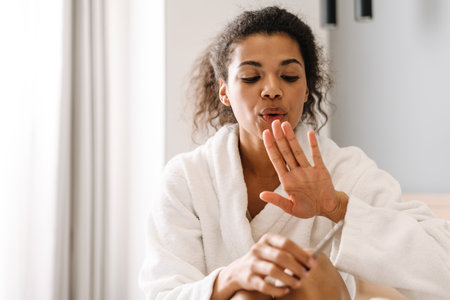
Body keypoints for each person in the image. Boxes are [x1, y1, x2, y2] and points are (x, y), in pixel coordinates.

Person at [139, 6, 450, 300]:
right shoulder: (187, 179)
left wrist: (337, 207)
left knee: (308, 275)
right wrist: (231, 278)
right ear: (224, 91)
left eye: (289, 76)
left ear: (306, 89)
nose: (272, 89)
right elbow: (162, 292)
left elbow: (442, 264)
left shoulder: (345, 170)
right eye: (251, 77)